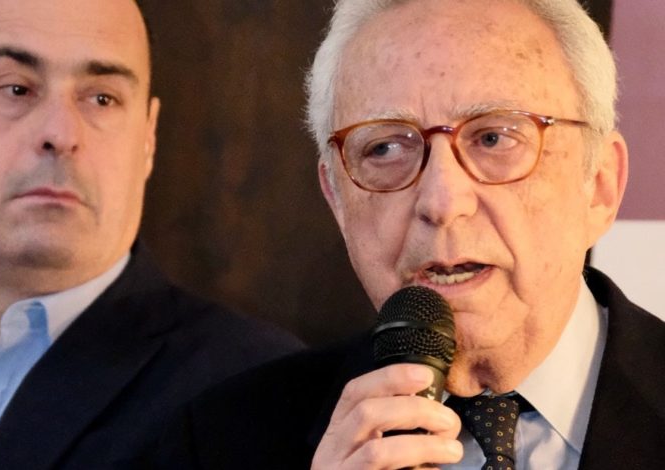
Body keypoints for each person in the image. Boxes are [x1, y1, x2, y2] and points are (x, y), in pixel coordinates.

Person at [156, 0, 665, 468]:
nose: (441, 202)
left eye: (493, 138)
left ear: (600, 186)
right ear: (336, 198)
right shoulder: (218, 442)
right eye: (384, 149)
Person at [0, 0, 303, 469]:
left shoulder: (256, 390)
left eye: (102, 99)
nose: (61, 134)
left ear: (148, 139)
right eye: (16, 89)